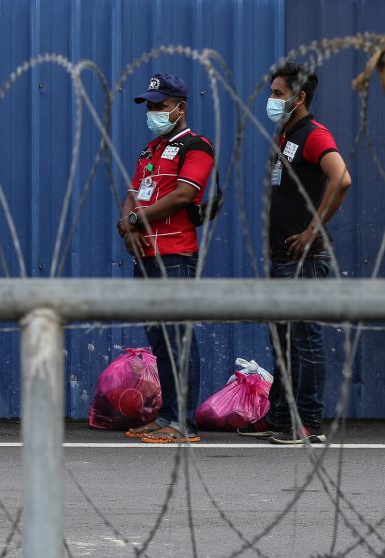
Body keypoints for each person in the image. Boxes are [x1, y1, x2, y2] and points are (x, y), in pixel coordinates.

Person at [239, 62, 351, 445]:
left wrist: (311, 230)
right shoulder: (284, 135)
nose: (271, 100)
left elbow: (342, 177)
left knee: (305, 339)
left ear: (299, 98)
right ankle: (282, 417)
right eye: (271, 93)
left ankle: (308, 422)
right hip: (283, 258)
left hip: (304, 259)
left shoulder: (313, 135)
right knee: (283, 341)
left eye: (278, 94)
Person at [116, 73, 216, 444]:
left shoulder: (197, 147)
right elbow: (132, 191)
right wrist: (129, 226)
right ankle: (168, 415)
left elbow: (183, 195)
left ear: (180, 108)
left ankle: (184, 423)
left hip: (175, 256)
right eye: (151, 107)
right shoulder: (150, 150)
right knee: (160, 342)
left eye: (161, 106)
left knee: (179, 340)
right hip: (146, 256)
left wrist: (133, 219)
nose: (154, 112)